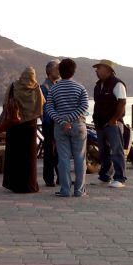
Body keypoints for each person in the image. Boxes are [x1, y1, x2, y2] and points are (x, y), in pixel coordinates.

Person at [46, 59, 89, 197]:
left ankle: (65, 190)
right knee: (79, 158)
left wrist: (62, 121)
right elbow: (84, 107)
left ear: (60, 71)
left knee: (63, 158)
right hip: (78, 125)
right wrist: (70, 118)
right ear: (73, 71)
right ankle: (79, 190)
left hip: (60, 127)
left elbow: (49, 108)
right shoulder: (80, 88)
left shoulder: (53, 89)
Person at [2, 67, 45, 194]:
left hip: (14, 124)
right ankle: (29, 185)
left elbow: (5, 104)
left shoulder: (13, 86)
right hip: (30, 127)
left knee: (14, 155)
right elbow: (41, 105)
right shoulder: (36, 88)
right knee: (29, 157)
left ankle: (14, 184)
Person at [92, 59, 128, 188]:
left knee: (116, 151)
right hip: (100, 124)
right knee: (103, 151)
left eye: (99, 68)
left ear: (107, 69)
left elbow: (122, 102)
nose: (96, 71)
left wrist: (114, 120)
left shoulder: (117, 84)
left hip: (113, 124)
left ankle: (120, 178)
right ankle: (105, 176)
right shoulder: (98, 85)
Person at [40, 60, 61, 187]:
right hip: (49, 124)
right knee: (49, 152)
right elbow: (44, 109)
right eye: (57, 69)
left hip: (58, 123)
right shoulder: (44, 88)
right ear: (49, 71)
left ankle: (61, 177)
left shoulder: (57, 85)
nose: (59, 71)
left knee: (60, 151)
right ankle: (49, 179)